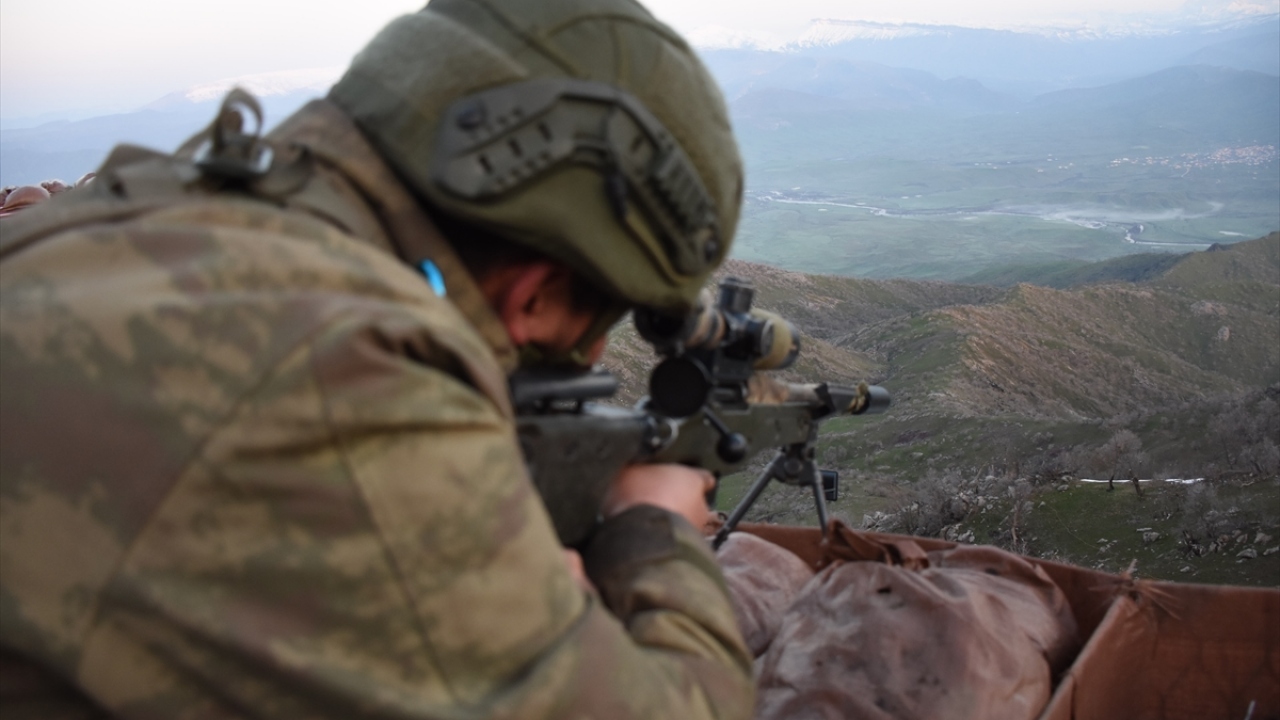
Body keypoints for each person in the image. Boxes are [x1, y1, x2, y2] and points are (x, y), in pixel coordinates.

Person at [0, 0, 753, 717]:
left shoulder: (137, 203)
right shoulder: (342, 383)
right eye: (598, 323)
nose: (589, 354)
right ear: (534, 294)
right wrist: (656, 528)